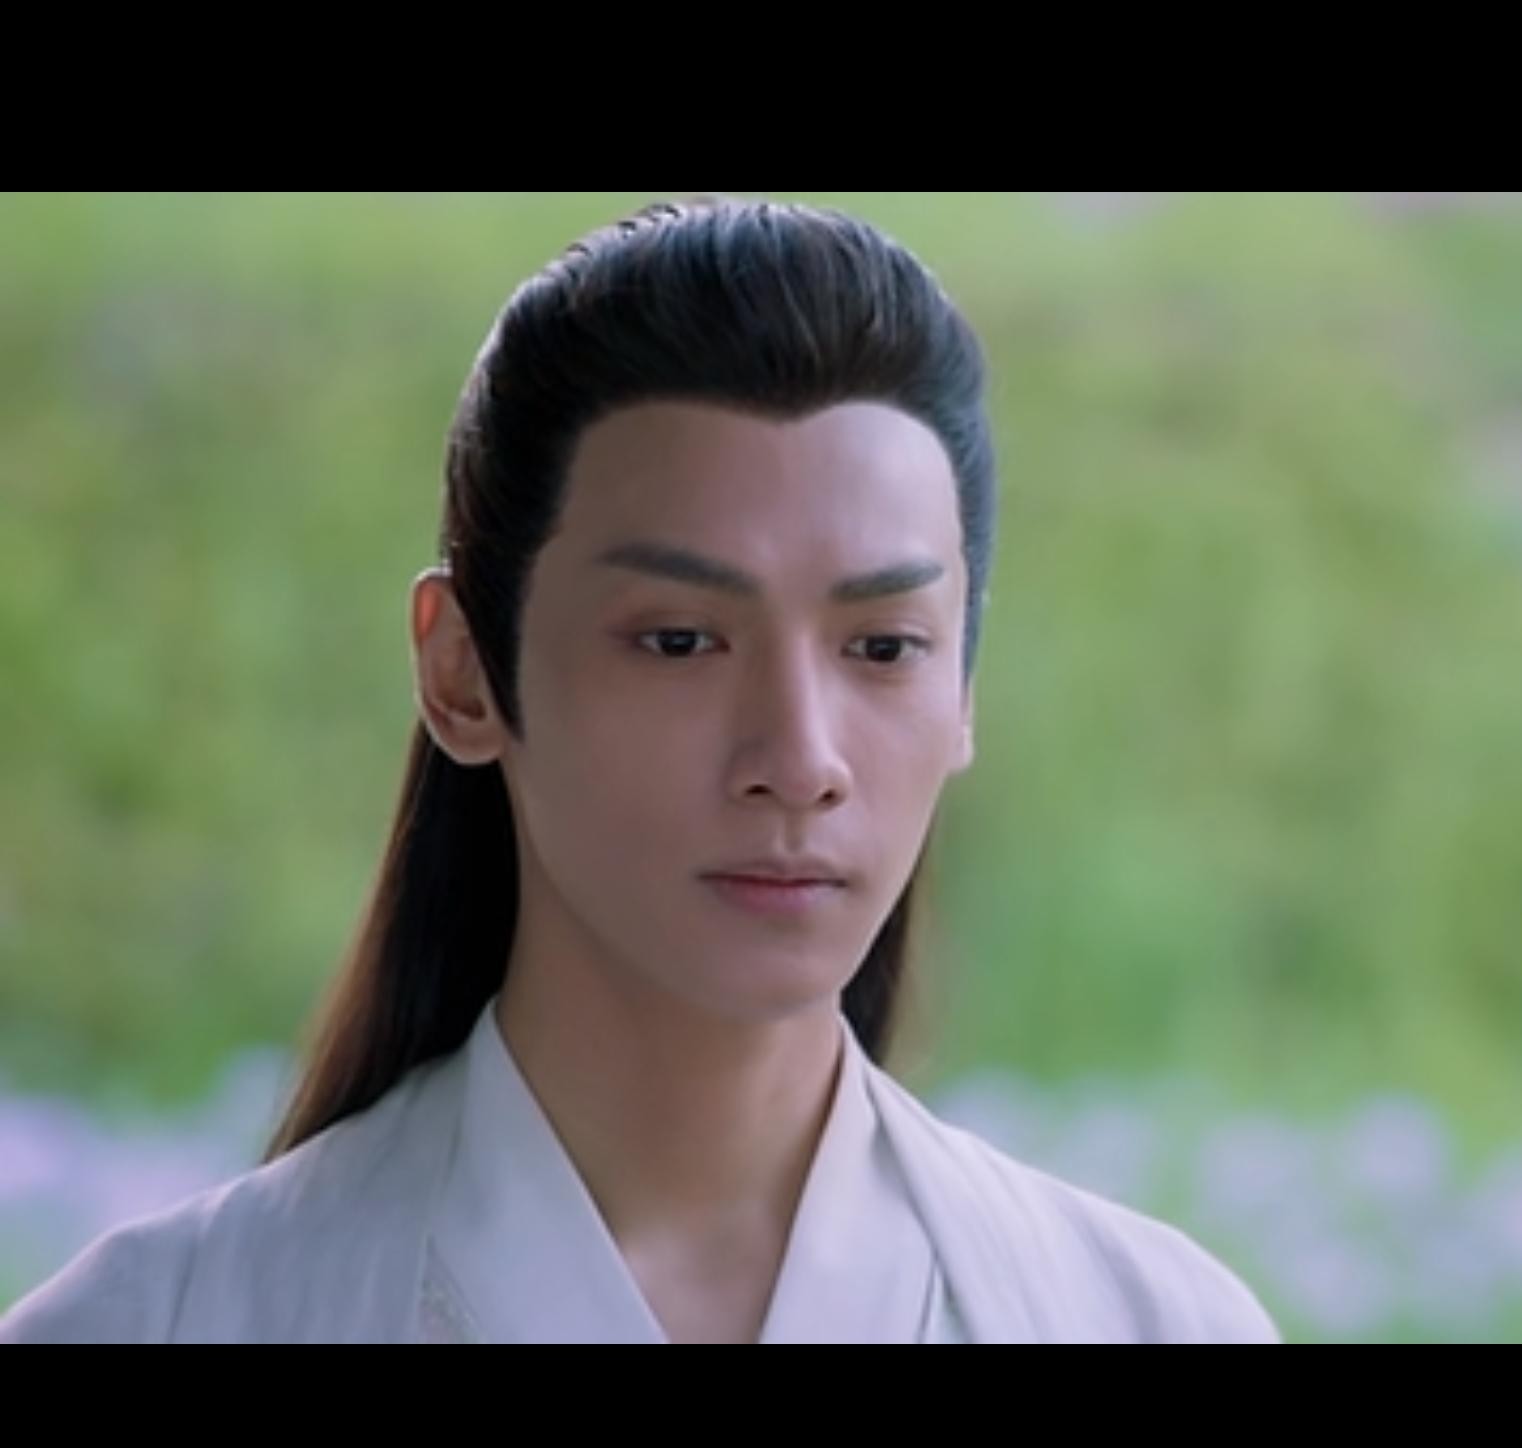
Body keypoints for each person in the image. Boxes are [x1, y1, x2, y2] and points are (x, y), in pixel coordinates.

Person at [0, 197, 1281, 1344]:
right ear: (462, 673)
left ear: (964, 692)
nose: (800, 760)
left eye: (883, 647)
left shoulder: (1146, 1320)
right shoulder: (158, 1323)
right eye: (678, 641)